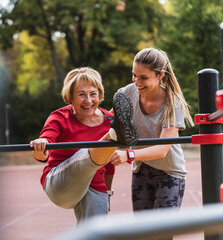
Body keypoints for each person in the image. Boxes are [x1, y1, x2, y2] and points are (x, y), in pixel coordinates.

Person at [29, 67, 139, 224]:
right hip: (61, 186)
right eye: (81, 95)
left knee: (96, 232)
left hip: (93, 186)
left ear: (99, 95)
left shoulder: (109, 119)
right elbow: (45, 145)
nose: (88, 100)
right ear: (70, 98)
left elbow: (108, 166)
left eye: (93, 94)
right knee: (87, 152)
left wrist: (107, 193)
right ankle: (113, 135)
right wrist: (41, 147)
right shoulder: (59, 117)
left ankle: (113, 136)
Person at [109, 48, 194, 213]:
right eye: (134, 75)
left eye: (143, 78)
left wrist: (128, 155)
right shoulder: (127, 93)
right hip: (141, 170)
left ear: (160, 75)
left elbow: (162, 149)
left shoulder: (172, 102)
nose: (137, 82)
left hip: (170, 173)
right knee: (145, 233)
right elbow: (105, 122)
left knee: (162, 233)